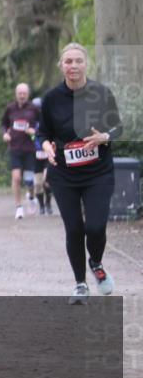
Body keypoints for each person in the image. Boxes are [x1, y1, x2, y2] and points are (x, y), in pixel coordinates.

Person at [38, 43, 122, 305]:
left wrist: (104, 137)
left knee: (95, 227)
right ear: (61, 66)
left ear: (86, 64)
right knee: (74, 229)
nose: (73, 66)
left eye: (78, 61)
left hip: (98, 173)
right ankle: (80, 284)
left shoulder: (101, 93)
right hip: (64, 175)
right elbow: (43, 133)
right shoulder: (51, 99)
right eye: (68, 62)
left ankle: (95, 262)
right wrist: (46, 146)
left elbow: (118, 127)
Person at [1, 83, 40, 219]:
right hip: (15, 148)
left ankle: (31, 195)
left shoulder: (34, 109)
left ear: (28, 94)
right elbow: (4, 124)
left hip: (29, 149)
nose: (22, 95)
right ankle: (18, 207)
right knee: (16, 178)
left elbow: (42, 126)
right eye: (19, 93)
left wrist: (34, 131)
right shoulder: (10, 108)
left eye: (24, 93)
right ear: (16, 94)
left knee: (29, 181)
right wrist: (5, 134)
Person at [31, 97, 54, 215]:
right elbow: (31, 139)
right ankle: (42, 206)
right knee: (37, 184)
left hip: (47, 154)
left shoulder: (49, 121)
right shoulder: (32, 123)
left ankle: (49, 203)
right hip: (36, 157)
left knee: (47, 181)